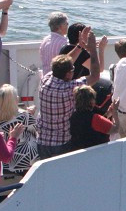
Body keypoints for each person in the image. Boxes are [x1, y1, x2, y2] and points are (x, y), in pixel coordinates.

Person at [37, 26, 101, 159]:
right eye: (72, 70)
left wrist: (80, 46)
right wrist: (93, 49)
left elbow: (64, 60)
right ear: (67, 74)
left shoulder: (46, 79)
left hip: (42, 141)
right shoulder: (69, 88)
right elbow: (95, 76)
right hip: (61, 142)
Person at [0, 83, 38, 177]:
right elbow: (36, 133)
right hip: (26, 161)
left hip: (6, 163)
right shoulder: (24, 115)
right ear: (15, 99)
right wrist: (31, 114)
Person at [69, 85, 118, 151]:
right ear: (91, 101)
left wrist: (107, 114)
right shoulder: (95, 118)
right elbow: (115, 129)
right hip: (96, 153)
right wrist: (115, 111)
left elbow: (94, 125)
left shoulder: (74, 116)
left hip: (79, 152)